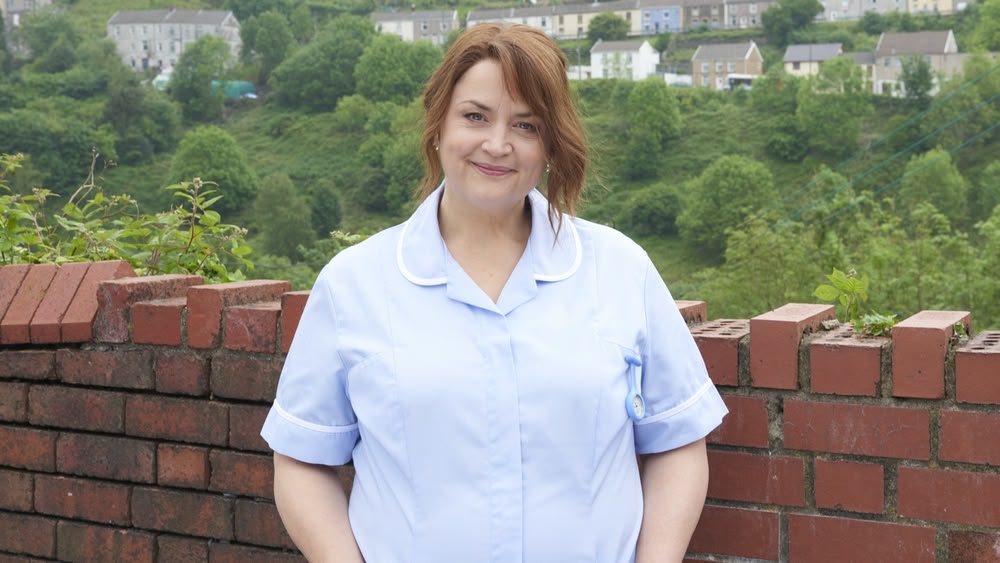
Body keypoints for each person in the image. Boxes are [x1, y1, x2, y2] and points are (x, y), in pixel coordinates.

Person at [260, 22, 728, 563]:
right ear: (438, 125)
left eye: (526, 125)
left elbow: (677, 440)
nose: (498, 144)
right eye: (475, 116)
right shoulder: (355, 284)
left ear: (550, 145)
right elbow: (302, 457)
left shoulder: (620, 270)